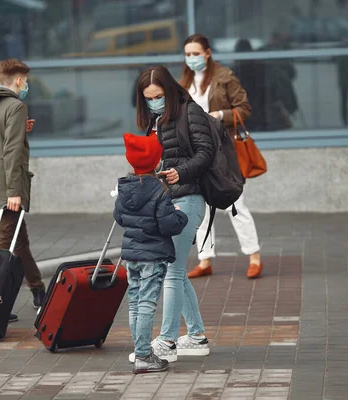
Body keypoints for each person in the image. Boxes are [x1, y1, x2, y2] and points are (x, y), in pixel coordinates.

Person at [131, 65, 214, 363]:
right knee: (173, 270)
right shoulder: (155, 120)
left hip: (189, 199)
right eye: (148, 98)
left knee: (172, 270)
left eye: (158, 95)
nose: (154, 101)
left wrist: (180, 171)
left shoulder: (189, 112)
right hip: (168, 201)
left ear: (169, 90)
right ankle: (196, 335)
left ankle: (167, 341)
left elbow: (206, 152)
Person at [179, 34, 263, 280]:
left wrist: (218, 115)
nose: (191, 58)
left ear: (207, 53)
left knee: (236, 205)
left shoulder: (224, 77)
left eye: (195, 53)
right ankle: (205, 259)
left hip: (224, 151)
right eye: (187, 54)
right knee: (200, 206)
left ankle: (253, 255)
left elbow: (244, 109)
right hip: (196, 152)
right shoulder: (184, 81)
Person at [114, 133, 189, 374]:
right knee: (146, 303)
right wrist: (181, 214)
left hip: (131, 254)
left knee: (135, 302)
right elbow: (169, 225)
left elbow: (119, 217)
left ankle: (140, 351)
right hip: (153, 255)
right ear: (156, 161)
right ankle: (144, 355)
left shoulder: (124, 187)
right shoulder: (159, 190)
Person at [0, 58, 45, 321]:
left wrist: (19, 130)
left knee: (20, 243)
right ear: (18, 80)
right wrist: (14, 190)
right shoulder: (17, 106)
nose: (26, 85)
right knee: (1, 245)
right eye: (25, 80)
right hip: (9, 185)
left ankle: (38, 289)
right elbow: (12, 151)